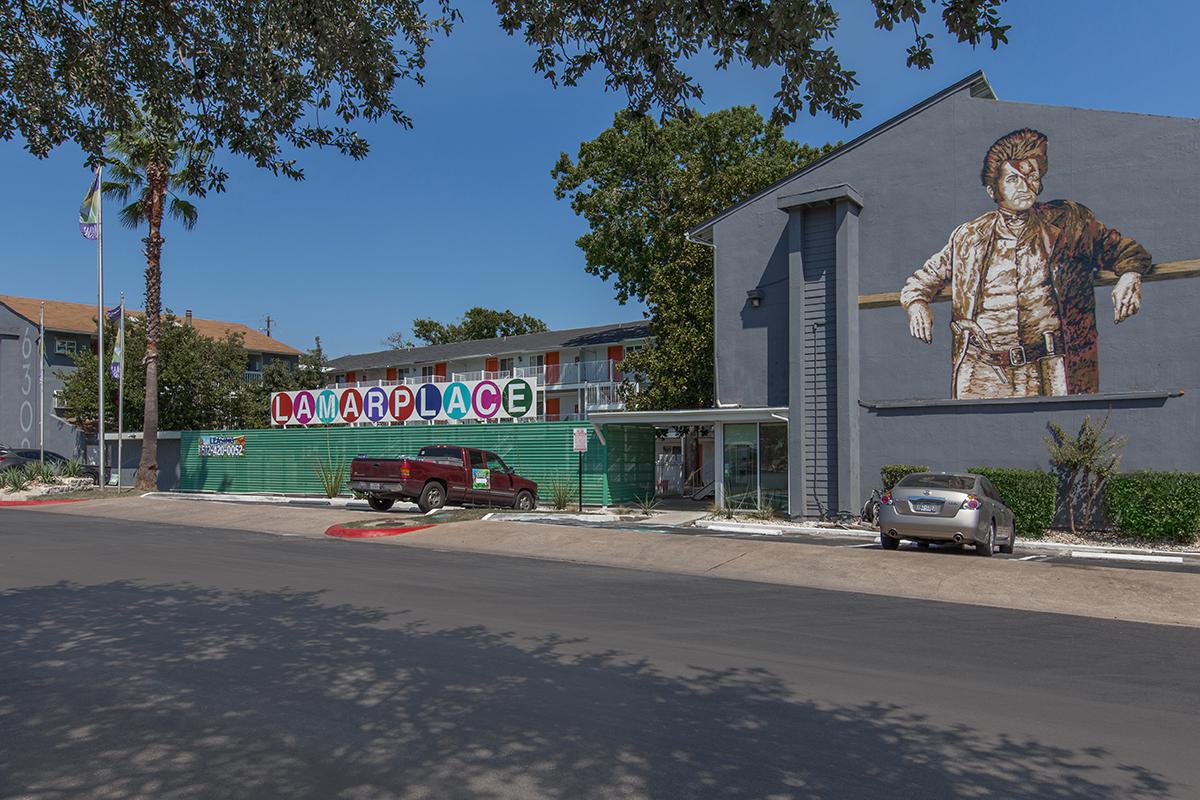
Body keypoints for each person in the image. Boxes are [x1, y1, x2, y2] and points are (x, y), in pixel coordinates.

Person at [900, 128, 1151, 399]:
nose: (1025, 185)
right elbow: (924, 279)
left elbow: (1123, 248)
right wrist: (916, 304)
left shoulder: (1067, 225)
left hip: (1051, 366)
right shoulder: (968, 236)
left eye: (1031, 177)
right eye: (1013, 179)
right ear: (992, 190)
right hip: (982, 370)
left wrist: (1130, 274)